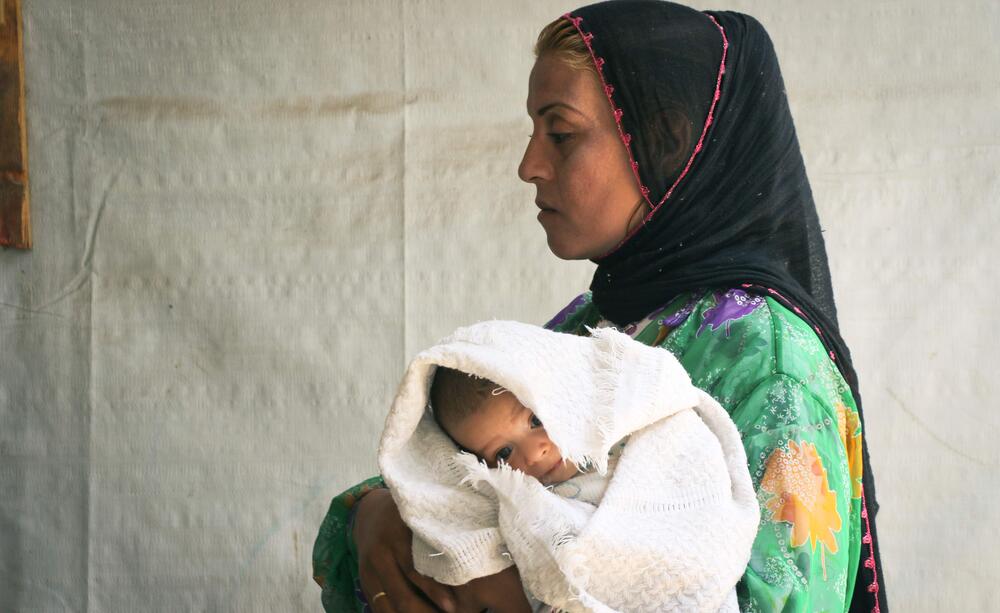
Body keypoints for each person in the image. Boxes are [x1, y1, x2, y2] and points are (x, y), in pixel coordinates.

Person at [313, 2, 887, 612]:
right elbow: (445, 469)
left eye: (559, 133)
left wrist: (520, 589)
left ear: (664, 142)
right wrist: (372, 516)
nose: (529, 165)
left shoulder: (771, 365)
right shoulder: (597, 322)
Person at [377, 320, 758, 613]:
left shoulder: (644, 431)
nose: (535, 453)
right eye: (504, 454)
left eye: (535, 421)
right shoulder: (519, 503)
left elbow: (701, 524)